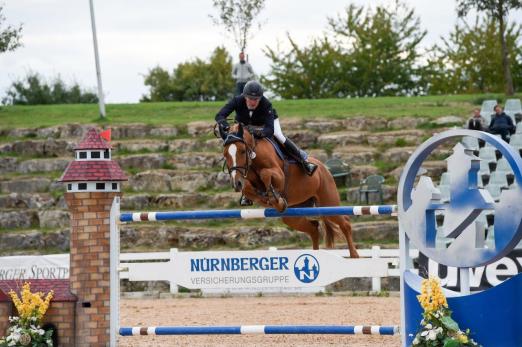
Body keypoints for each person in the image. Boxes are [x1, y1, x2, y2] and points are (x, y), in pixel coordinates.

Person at [215, 80, 318, 206]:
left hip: (264, 126)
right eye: (250, 99)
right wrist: (224, 125)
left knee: (279, 136)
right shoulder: (237, 100)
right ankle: (246, 193)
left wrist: (258, 133)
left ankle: (304, 161)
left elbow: (270, 130)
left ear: (260, 98)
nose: (253, 102)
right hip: (244, 128)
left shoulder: (266, 104)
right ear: (244, 96)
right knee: (237, 150)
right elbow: (220, 115)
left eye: (256, 99)